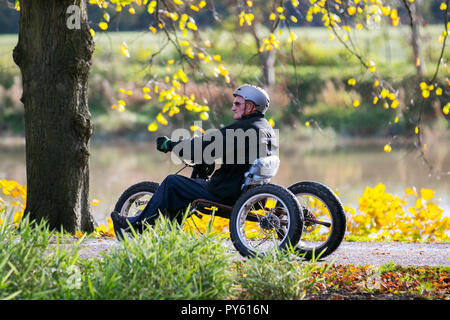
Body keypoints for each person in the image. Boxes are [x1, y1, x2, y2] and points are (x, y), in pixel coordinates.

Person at [111, 84, 278, 239]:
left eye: (237, 104)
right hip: (246, 191)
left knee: (172, 182)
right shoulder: (265, 128)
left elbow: (203, 145)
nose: (233, 107)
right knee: (185, 185)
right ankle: (172, 233)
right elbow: (234, 152)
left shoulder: (244, 128)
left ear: (250, 106)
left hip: (225, 192)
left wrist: (172, 145)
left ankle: (136, 226)